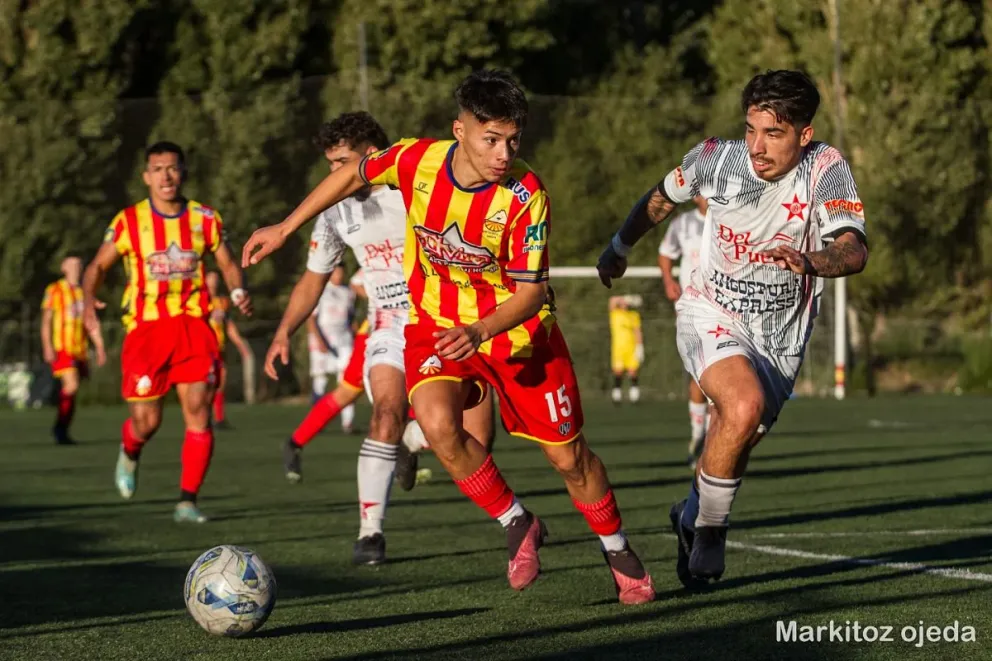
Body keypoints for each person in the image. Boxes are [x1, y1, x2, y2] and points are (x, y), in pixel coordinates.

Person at [243, 70, 655, 604]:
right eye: (491, 139)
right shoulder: (417, 161)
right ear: (458, 131)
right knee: (436, 425)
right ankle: (516, 522)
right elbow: (349, 178)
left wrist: (480, 329)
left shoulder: (526, 194)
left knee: (569, 459)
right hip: (436, 325)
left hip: (517, 335)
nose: (504, 153)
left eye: (513, 140)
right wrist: (284, 225)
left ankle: (617, 548)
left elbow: (531, 293)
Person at [597, 70, 868, 586]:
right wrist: (618, 247)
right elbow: (659, 198)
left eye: (774, 133)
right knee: (741, 407)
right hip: (711, 311)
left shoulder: (826, 168)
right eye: (751, 129)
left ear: (804, 136)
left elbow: (853, 249)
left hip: (782, 339)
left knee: (737, 433)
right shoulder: (717, 158)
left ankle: (689, 515)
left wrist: (810, 260)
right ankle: (712, 531)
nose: (757, 146)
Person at [262, 111, 470, 565]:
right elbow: (312, 279)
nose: (334, 174)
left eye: (341, 163)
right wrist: (283, 331)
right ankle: (370, 534)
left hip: (444, 322)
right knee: (385, 412)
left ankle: (412, 444)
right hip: (387, 326)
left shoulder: (415, 190)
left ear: (372, 156)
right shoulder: (334, 213)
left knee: (469, 435)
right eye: (330, 164)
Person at [83, 141, 253, 523]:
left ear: (184, 172)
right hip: (147, 331)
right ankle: (130, 450)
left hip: (194, 327)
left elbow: (227, 263)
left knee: (198, 410)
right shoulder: (128, 221)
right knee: (148, 421)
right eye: (158, 169)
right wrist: (88, 301)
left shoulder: (205, 218)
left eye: (173, 168)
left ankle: (187, 501)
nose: (166, 176)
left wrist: (238, 289)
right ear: (146, 176)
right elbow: (96, 267)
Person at [658, 195, 709, 466]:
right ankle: (699, 435)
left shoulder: (729, 218)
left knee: (720, 372)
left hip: (724, 309)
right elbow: (666, 253)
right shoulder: (683, 223)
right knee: (698, 371)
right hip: (690, 307)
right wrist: (668, 280)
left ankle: (711, 438)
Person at [41, 256, 106, 444]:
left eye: (79, 264)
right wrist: (47, 346)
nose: (76, 268)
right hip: (62, 347)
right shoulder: (54, 290)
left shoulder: (83, 293)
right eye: (72, 265)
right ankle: (59, 429)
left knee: (72, 390)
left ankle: (63, 429)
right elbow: (46, 321)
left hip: (80, 349)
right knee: (72, 385)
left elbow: (91, 323)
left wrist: (100, 347)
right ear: (63, 267)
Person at [307, 265, 357, 433]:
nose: (339, 276)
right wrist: (319, 340)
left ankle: (347, 423)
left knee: (347, 379)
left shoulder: (348, 293)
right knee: (320, 379)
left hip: (343, 340)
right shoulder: (320, 290)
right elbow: (311, 319)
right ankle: (317, 421)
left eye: (341, 272)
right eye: (336, 272)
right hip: (323, 339)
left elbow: (351, 318)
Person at [205, 271, 252, 429]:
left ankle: (219, 418)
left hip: (220, 347)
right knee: (207, 385)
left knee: (221, 382)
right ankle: (205, 417)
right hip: (204, 349)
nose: (213, 284)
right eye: (210, 281)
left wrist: (241, 346)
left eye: (216, 281)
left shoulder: (223, 302)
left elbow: (229, 327)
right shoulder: (200, 300)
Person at [607, 294, 644, 404]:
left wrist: (640, 346)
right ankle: (617, 395)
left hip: (631, 348)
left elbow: (637, 331)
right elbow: (611, 300)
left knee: (633, 372)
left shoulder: (634, 315)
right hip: (618, 348)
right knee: (618, 372)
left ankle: (634, 396)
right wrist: (625, 298)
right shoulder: (615, 314)